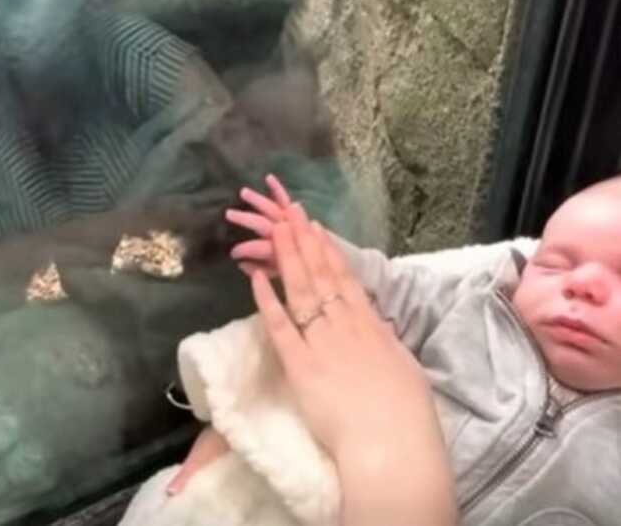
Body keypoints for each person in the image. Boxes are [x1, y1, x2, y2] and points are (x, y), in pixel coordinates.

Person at [118, 174, 621, 526]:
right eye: (556, 263)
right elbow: (394, 288)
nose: (585, 285)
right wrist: (318, 253)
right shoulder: (482, 302)